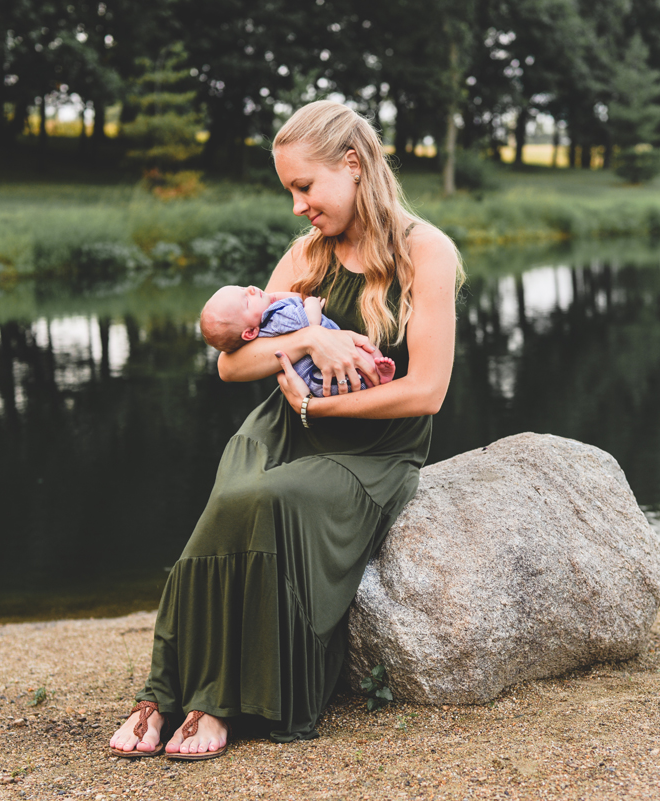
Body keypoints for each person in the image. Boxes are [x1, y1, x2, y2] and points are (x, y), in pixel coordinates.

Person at [107, 99, 461, 759]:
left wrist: (320, 407)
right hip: (278, 428)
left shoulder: (426, 252)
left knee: (263, 501)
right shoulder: (305, 255)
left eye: (305, 186)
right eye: (289, 190)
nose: (297, 205)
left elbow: (427, 391)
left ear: (352, 165)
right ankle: (161, 693)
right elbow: (232, 361)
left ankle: (216, 701)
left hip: (372, 451)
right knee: (226, 506)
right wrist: (306, 341)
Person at [199, 284, 397, 396]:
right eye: (246, 300)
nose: (250, 289)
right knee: (364, 351)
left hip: (316, 384)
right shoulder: (277, 318)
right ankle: (380, 377)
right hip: (324, 375)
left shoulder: (262, 329)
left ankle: (378, 378)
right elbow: (310, 320)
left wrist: (272, 295)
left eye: (242, 287)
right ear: (249, 332)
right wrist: (312, 302)